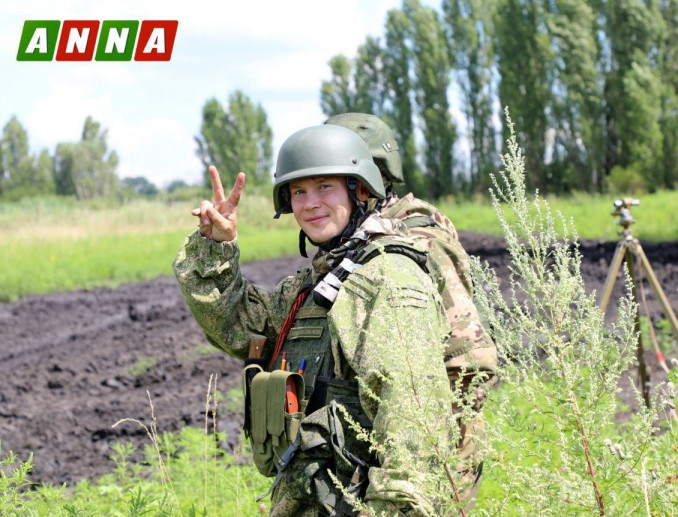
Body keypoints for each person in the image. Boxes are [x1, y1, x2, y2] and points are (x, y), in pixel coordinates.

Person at [173, 124, 457, 516]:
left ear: (359, 190)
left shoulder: (388, 278)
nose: (310, 204)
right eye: (299, 192)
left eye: (325, 187)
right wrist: (215, 250)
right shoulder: (318, 281)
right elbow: (240, 327)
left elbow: (412, 423)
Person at [325, 113, 498, 504]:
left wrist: (420, 456)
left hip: (436, 442)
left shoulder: (413, 239)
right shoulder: (362, 234)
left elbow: (467, 358)